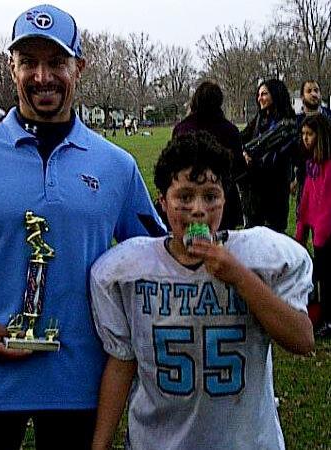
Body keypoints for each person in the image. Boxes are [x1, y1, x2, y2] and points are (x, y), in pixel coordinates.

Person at [0, 4, 165, 450]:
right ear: (12, 67)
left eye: (56, 62)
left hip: (79, 385)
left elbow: (159, 252)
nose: (42, 76)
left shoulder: (116, 166)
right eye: (29, 62)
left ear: (78, 67)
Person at [90, 131, 314, 450]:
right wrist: (100, 444)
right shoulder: (127, 269)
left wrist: (239, 277)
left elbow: (303, 340)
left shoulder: (261, 256)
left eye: (210, 196)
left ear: (225, 199)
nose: (198, 209)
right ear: (162, 203)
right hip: (158, 441)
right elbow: (122, 361)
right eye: (184, 197)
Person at [172, 81, 245, 230]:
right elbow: (239, 168)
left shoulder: (182, 129)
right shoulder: (230, 130)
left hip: (189, 196)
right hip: (222, 196)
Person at [241, 79, 297, 232]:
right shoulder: (259, 119)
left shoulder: (288, 122)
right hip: (254, 187)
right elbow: (242, 138)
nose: (260, 98)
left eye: (264, 94)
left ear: (275, 94)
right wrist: (244, 152)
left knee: (275, 232)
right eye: (259, 94)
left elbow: (281, 150)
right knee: (253, 231)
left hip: (276, 186)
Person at [296, 115, 331, 338]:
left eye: (309, 134)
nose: (305, 139)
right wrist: (301, 231)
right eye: (303, 135)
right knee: (320, 276)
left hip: (326, 231)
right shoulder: (312, 166)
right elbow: (307, 198)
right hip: (319, 232)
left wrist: (321, 231)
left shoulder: (328, 167)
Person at [291, 80, 331, 216]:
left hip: (325, 179)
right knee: (302, 219)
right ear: (302, 96)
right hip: (304, 178)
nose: (314, 94)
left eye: (316, 90)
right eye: (309, 91)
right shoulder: (296, 122)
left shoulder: (328, 117)